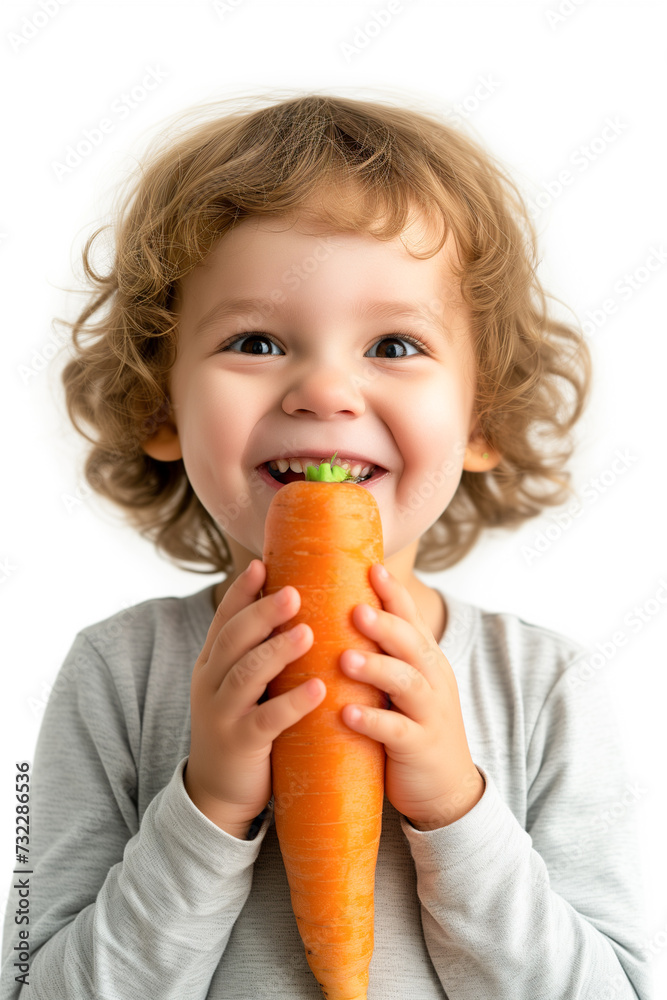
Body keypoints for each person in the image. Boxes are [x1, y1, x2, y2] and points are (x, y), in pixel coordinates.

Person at [0, 92, 651, 999]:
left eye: (393, 343)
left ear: (483, 416)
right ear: (159, 401)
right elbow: (39, 988)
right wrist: (209, 805)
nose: (325, 389)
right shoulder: (117, 672)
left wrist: (456, 811)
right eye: (257, 340)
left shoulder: (541, 686)